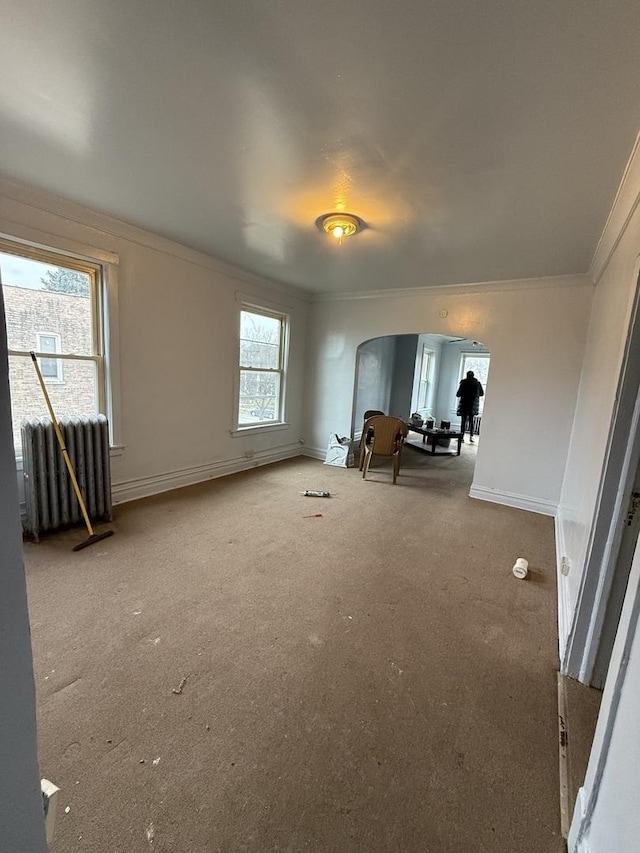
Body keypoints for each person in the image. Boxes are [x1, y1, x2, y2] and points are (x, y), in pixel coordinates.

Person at [456, 370, 484, 442]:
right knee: (471, 421)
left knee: (463, 421)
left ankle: (462, 437)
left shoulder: (463, 383)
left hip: (464, 404)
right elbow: (481, 393)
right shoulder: (477, 383)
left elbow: (458, 394)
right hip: (473, 404)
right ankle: (471, 436)